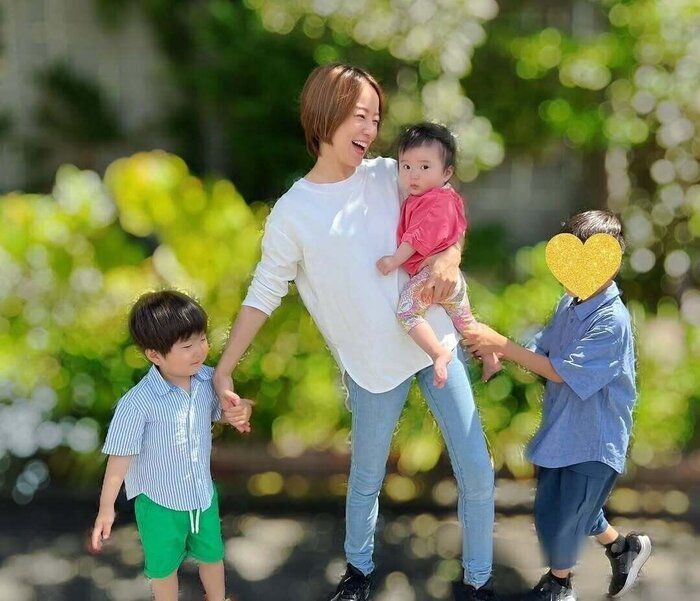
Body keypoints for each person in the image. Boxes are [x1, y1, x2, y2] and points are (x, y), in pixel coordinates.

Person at [214, 64, 498, 601]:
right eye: (360, 116)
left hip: (434, 344)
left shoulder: (390, 173)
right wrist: (225, 368)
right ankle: (359, 574)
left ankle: (477, 585)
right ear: (325, 114)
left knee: (477, 472)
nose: (370, 130)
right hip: (371, 367)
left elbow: (445, 212)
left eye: (375, 118)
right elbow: (262, 294)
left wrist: (451, 258)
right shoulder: (293, 213)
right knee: (366, 479)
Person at [464, 210, 652, 601]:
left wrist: (501, 344)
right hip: (562, 430)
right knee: (559, 508)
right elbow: (542, 348)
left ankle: (559, 585)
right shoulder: (569, 303)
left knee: (565, 518)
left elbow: (560, 372)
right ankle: (623, 548)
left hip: (594, 439)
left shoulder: (611, 321)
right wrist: (501, 353)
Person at [91, 290, 252, 601]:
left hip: (201, 495)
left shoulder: (208, 380)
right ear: (155, 355)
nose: (199, 350)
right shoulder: (138, 403)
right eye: (187, 346)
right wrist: (106, 508)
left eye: (202, 339)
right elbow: (119, 458)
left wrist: (240, 410)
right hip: (159, 502)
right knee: (163, 568)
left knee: (212, 555)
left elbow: (226, 411)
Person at [376, 122, 501, 386]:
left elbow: (416, 237)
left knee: (407, 313)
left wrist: (394, 261)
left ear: (447, 172)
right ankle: (490, 357)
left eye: (424, 167)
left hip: (430, 276)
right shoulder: (447, 197)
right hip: (453, 279)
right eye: (406, 166)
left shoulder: (433, 202)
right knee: (465, 321)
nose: (413, 175)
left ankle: (438, 353)